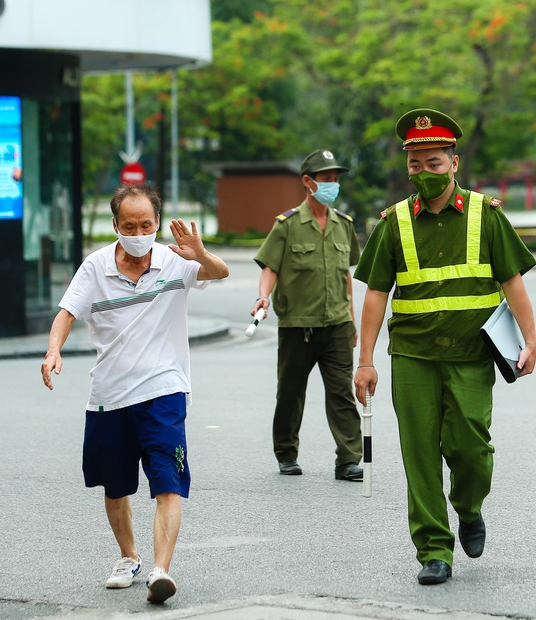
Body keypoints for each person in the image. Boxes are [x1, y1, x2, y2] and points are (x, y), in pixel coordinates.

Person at [353, 108, 536, 585]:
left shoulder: (485, 215)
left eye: (433, 163)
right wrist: (365, 360)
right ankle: (434, 549)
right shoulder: (393, 223)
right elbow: (376, 293)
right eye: (415, 165)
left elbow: (512, 281)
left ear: (453, 163)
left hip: (471, 355)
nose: (424, 173)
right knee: (419, 455)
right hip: (413, 356)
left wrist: (531, 338)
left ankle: (470, 507)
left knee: (471, 448)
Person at [40, 183, 229, 604]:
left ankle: (161, 570)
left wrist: (199, 254)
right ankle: (129, 557)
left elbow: (220, 273)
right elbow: (66, 312)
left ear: (158, 222)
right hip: (109, 393)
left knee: (167, 482)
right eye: (130, 225)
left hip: (165, 388)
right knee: (115, 487)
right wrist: (53, 350)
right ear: (116, 226)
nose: (139, 232)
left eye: (147, 224)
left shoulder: (173, 260)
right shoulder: (95, 267)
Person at [252, 149, 363, 481]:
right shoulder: (286, 225)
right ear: (307, 182)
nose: (332, 184)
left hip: (337, 325)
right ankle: (286, 452)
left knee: (341, 392)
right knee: (290, 392)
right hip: (297, 326)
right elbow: (271, 267)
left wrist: (352, 321)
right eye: (326, 179)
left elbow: (346, 277)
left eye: (335, 179)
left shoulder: (344, 225)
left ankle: (348, 459)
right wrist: (262, 297)